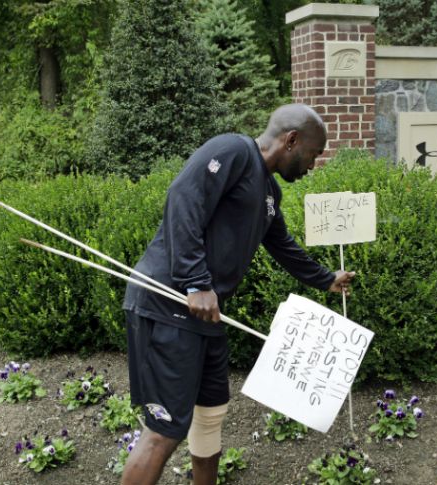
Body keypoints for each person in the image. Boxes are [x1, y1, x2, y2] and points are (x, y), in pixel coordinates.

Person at [120, 103, 356, 485]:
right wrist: (196, 282)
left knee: (211, 411)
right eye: (313, 155)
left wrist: (325, 279)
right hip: (169, 302)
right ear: (291, 140)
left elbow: (282, 244)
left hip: (203, 317)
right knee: (164, 429)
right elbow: (183, 197)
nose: (313, 165)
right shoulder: (232, 150)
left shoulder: (268, 191)